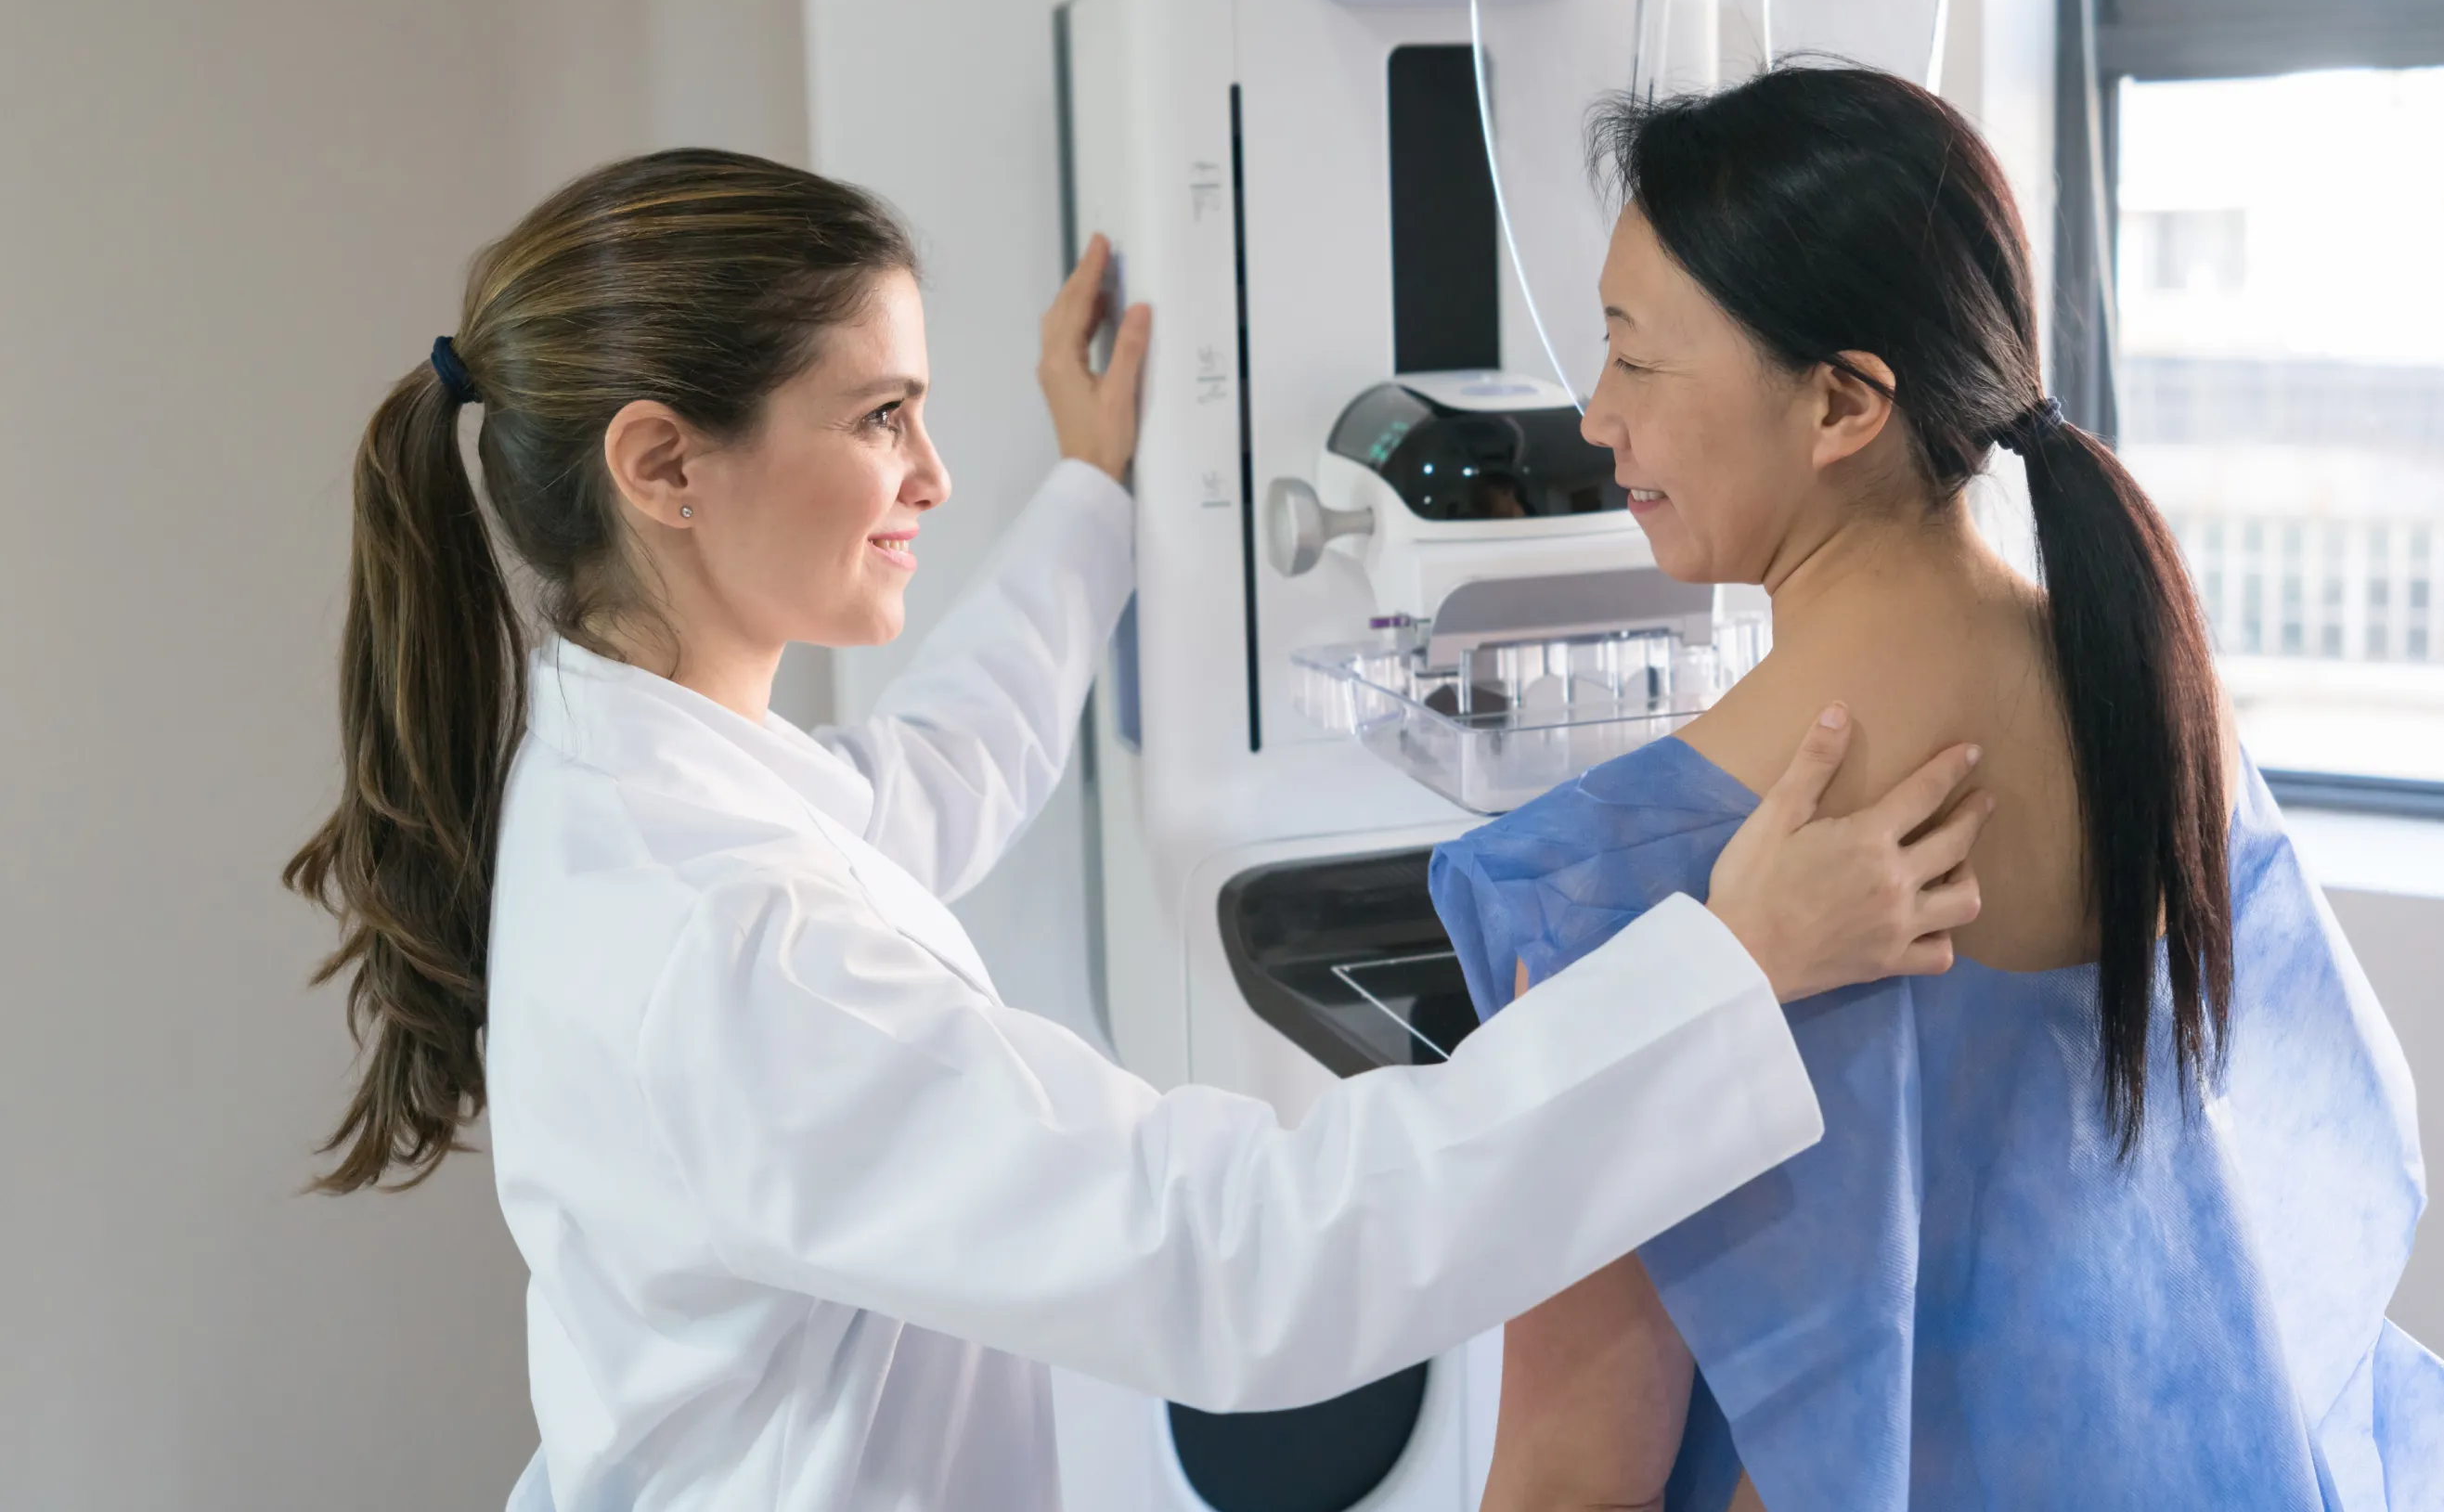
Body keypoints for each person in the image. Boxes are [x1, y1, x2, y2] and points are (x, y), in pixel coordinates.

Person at [282, 148, 1996, 1511]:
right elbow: (1234, 1260)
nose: (932, 476)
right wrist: (1732, 968)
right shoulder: (729, 938)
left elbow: (920, 790)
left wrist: (1091, 496)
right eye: (882, 417)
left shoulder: (629, 777)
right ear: (665, 465)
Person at [1436, 67, 2444, 1512]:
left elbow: (1569, 1470)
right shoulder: (2157, 714)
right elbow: (2324, 1192)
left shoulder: (1613, 877)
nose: (1598, 414)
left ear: (1843, 402)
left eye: (1635, 356)